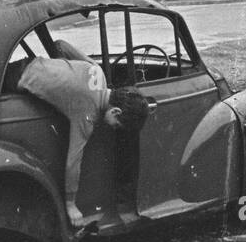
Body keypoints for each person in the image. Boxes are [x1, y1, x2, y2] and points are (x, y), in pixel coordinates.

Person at [16, 56, 150, 226]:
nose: (114, 128)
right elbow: (73, 160)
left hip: (29, 61)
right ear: (115, 112)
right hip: (18, 79)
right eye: (117, 125)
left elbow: (60, 45)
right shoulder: (88, 113)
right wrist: (71, 204)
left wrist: (63, 74)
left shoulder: (98, 71)